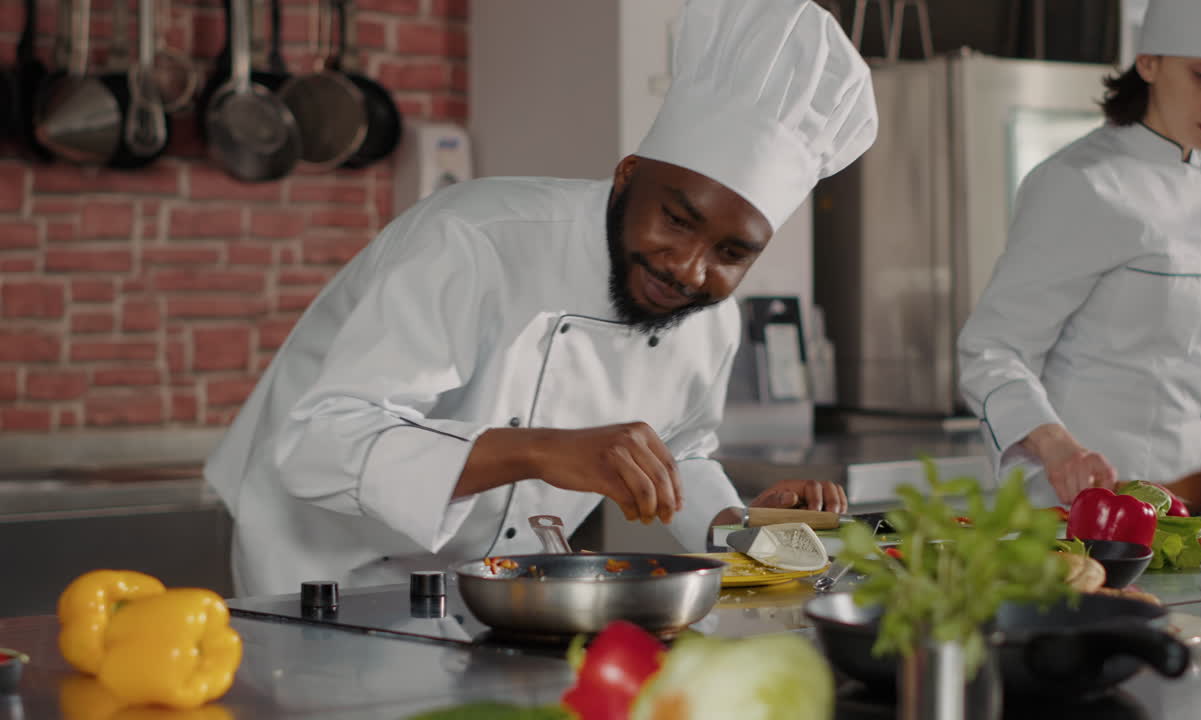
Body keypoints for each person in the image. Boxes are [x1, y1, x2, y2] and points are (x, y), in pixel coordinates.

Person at [204, 0, 878, 596]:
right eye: (675, 219)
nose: (689, 270)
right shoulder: (473, 240)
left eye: (732, 253)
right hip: (321, 580)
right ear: (627, 177)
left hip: (492, 593)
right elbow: (319, 445)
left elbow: (679, 455)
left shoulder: (708, 319)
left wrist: (746, 529)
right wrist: (539, 450)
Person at [957, 0, 1201, 507]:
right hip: (1080, 515)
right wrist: (1058, 447)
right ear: (1148, 63)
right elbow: (993, 351)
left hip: (1181, 516)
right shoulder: (1081, 183)